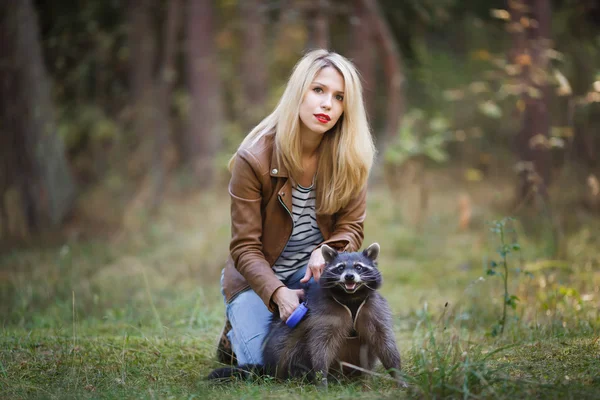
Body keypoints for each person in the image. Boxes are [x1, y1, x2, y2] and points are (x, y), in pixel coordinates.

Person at [217, 49, 376, 366]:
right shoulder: (254, 157)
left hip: (312, 278)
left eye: (339, 97)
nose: (327, 104)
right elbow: (245, 247)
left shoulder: (351, 157)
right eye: (318, 90)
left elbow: (352, 228)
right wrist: (277, 294)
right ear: (298, 92)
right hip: (258, 281)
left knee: (348, 360)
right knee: (269, 365)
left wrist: (326, 248)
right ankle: (235, 333)